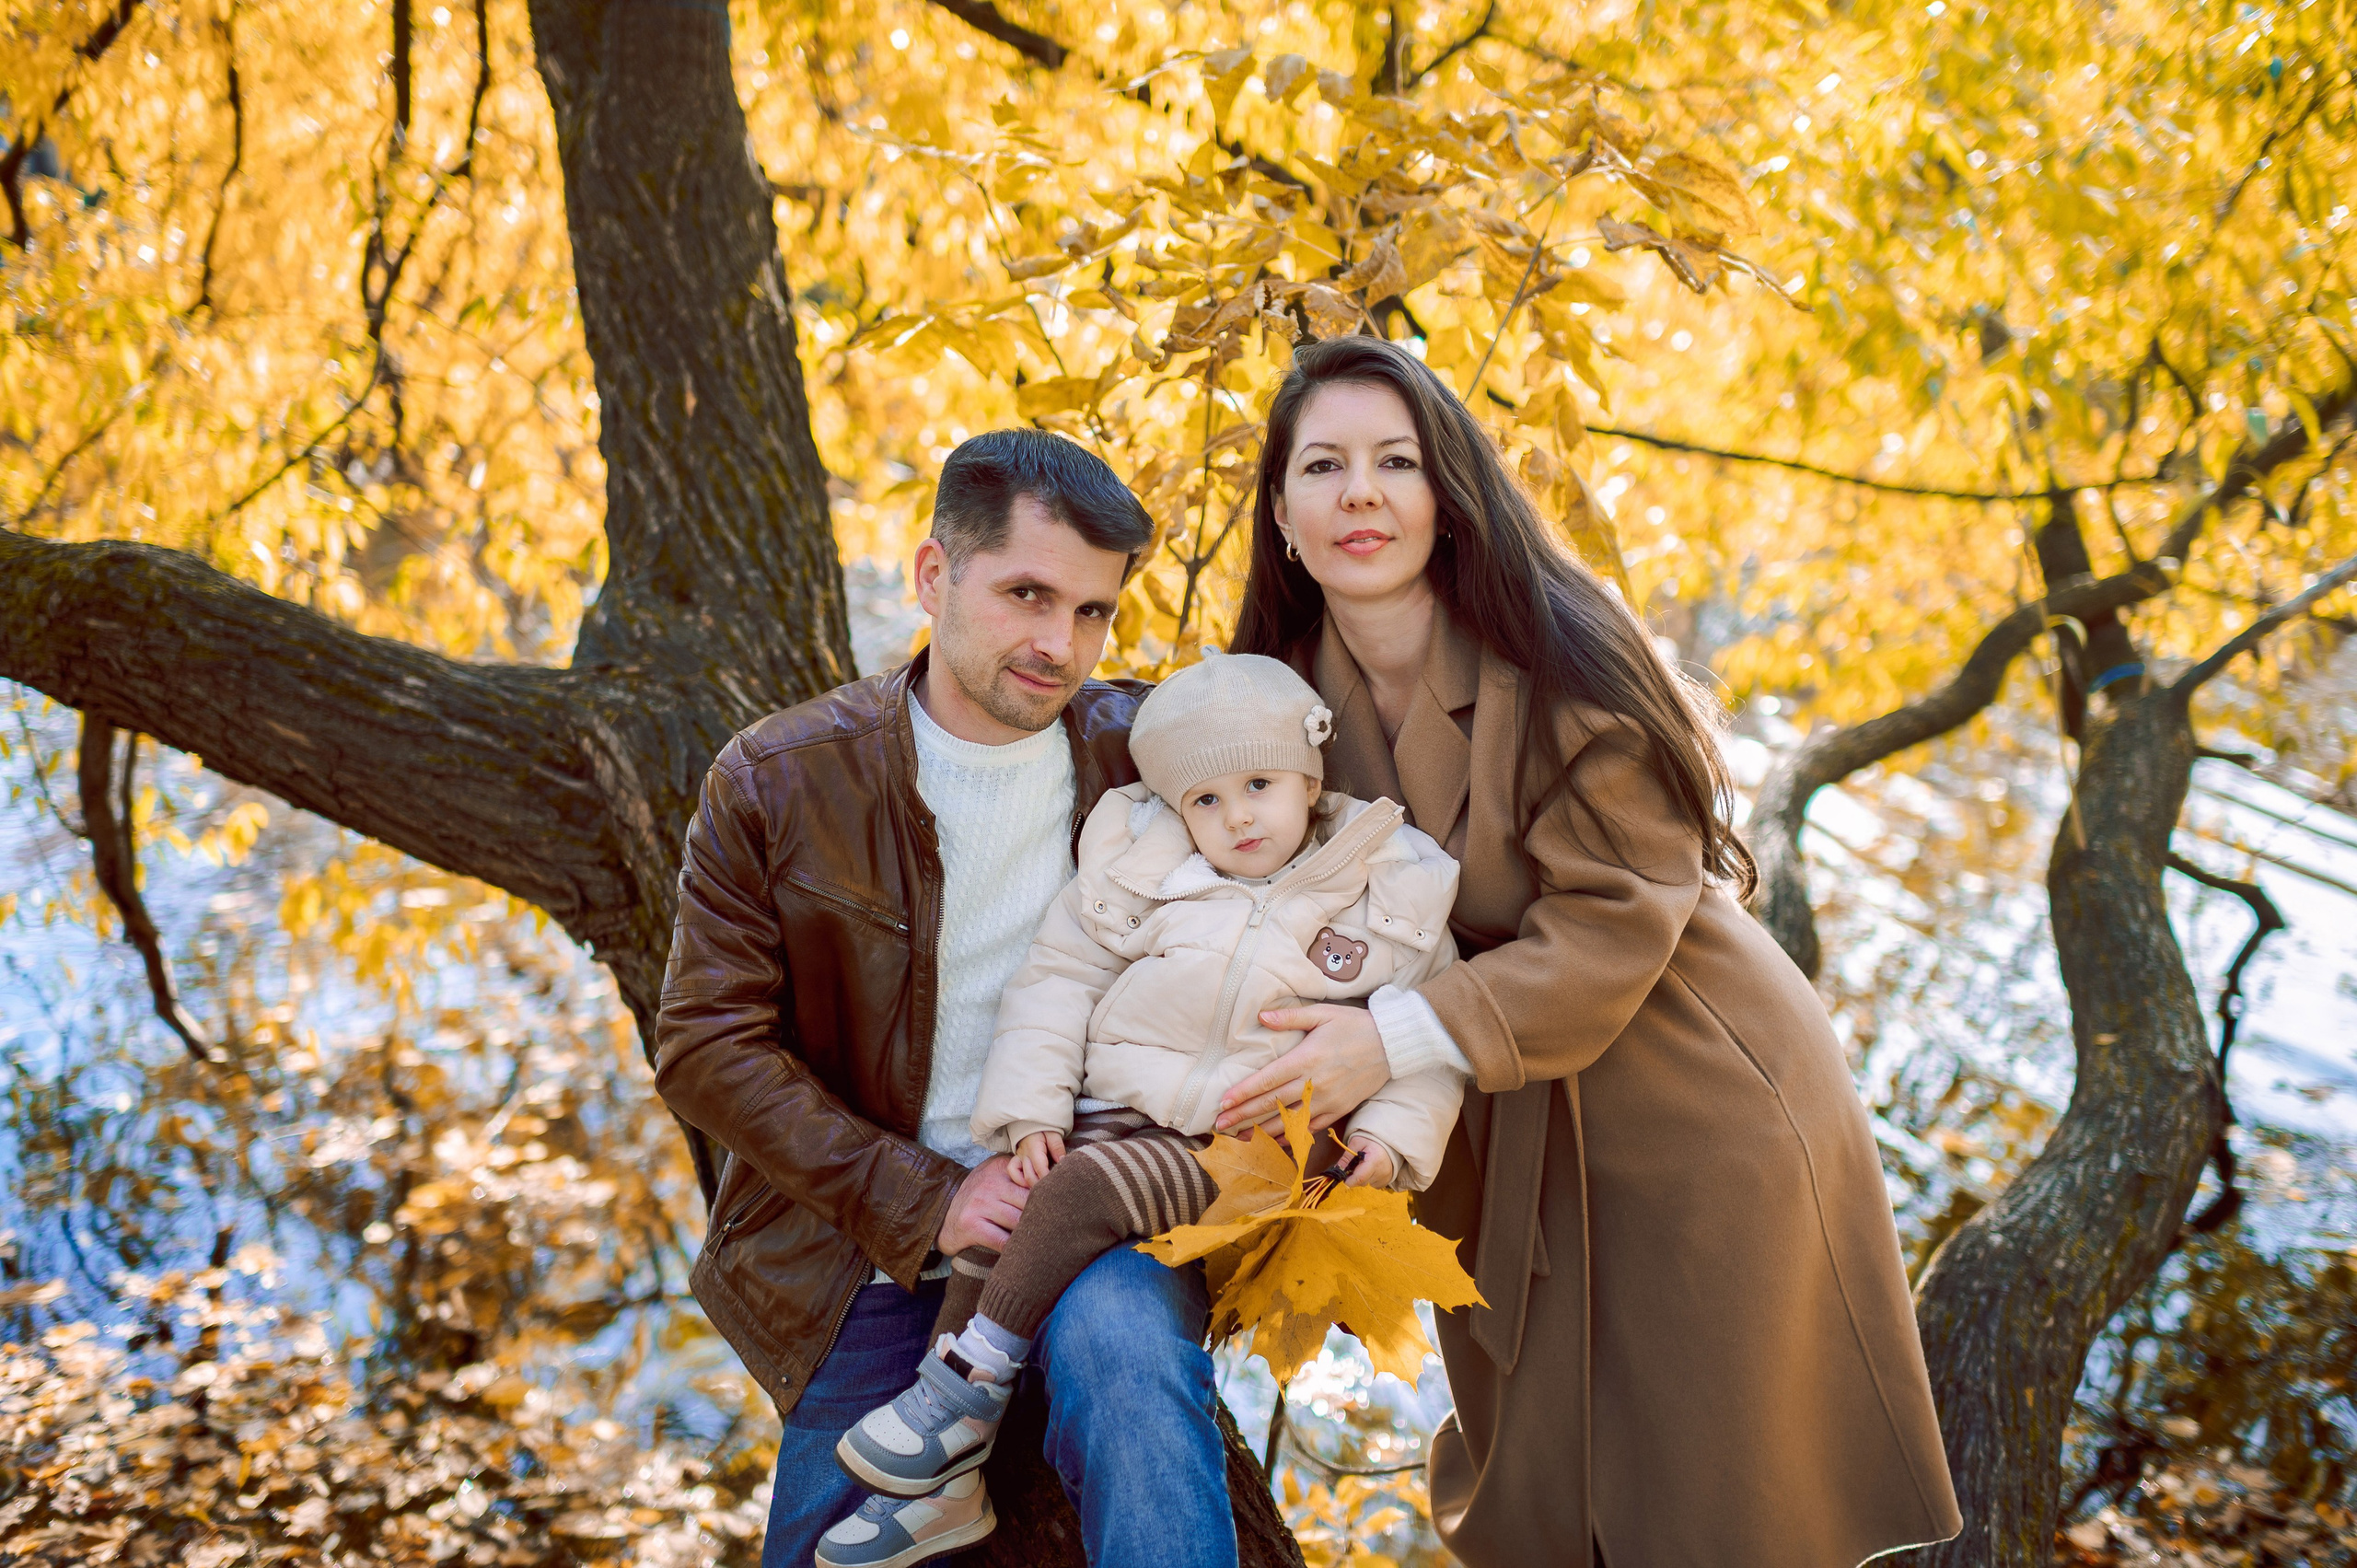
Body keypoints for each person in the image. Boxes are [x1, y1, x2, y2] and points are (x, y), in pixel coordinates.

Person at [1216, 335, 1966, 1568]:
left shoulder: (1560, 655)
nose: (1361, 490)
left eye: (1396, 460)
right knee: (1548, 1496)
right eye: (1324, 463)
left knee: (1713, 1495)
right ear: (1282, 511)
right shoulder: (1274, 701)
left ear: (1449, 497)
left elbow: (1613, 922)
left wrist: (1387, 1040)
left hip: (1686, 1093)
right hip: (1488, 1117)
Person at [654, 430, 1235, 1568]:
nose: (1057, 643)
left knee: (1138, 1384)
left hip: (1092, 1212)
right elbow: (703, 1043)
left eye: (1091, 612)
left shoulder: (1146, 753)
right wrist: (928, 1198)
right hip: (867, 1243)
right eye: (1027, 594)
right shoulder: (778, 779)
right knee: (826, 1550)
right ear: (932, 576)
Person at [825, 652, 1464, 1535]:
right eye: (1205, 800)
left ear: (1308, 780)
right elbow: (1057, 981)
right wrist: (1033, 1111)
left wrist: (1390, 1143)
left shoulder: (1387, 885)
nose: (1236, 816)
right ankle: (945, 1492)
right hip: (1120, 1118)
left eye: (1258, 784)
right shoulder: (1144, 868)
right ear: (1175, 807)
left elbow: (1428, 1043)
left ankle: (964, 1393)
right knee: (1005, 1211)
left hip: (1252, 1149)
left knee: (1080, 1191)